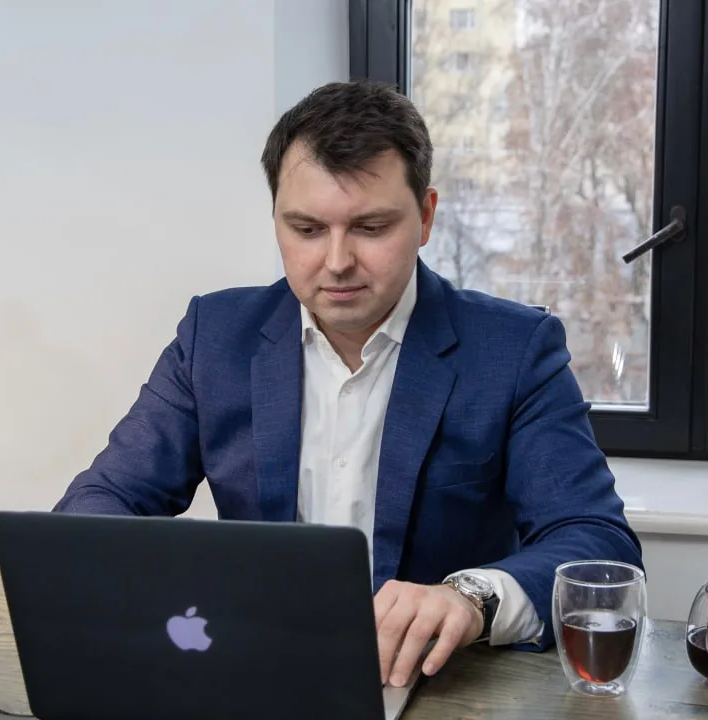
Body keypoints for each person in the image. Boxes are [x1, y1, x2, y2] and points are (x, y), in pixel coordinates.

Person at [54, 80, 642, 689]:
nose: (336, 262)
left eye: (369, 227)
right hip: (253, 674)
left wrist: (470, 598)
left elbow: (599, 549)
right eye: (306, 230)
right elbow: (96, 506)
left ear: (426, 217)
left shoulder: (514, 350)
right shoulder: (215, 336)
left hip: (443, 689)